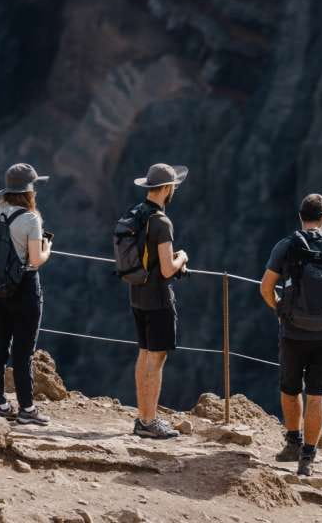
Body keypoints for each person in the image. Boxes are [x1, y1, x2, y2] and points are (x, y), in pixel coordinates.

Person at [260, 194, 322, 476]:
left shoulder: (287, 245)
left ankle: (293, 442)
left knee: (290, 389)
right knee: (317, 394)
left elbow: (265, 287)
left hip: (293, 332)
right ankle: (307, 458)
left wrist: (279, 309)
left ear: (300, 216)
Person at [0, 163, 52, 426]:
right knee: (23, 350)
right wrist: (49, 248)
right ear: (29, 191)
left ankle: (0, 404)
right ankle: (27, 409)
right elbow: (36, 260)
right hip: (24, 287)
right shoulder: (31, 219)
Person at [128, 163, 190, 439]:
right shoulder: (162, 222)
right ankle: (150, 421)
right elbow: (167, 269)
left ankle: (142, 418)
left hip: (137, 293)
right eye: (173, 186)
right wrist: (183, 257)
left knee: (143, 353)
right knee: (157, 358)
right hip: (158, 298)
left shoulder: (137, 214)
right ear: (166, 189)